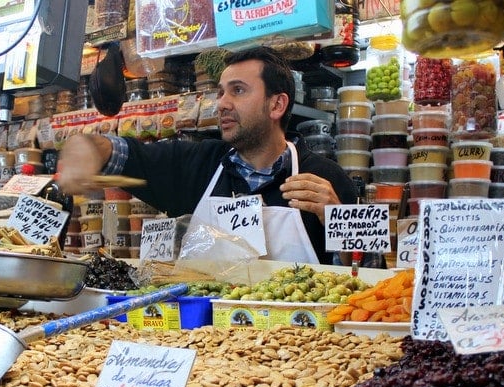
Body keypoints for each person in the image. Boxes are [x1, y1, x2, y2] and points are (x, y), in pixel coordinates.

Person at [56, 46, 359, 265]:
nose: (222, 104)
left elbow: (370, 275)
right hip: (205, 343)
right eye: (221, 92)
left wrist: (337, 220)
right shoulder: (194, 164)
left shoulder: (327, 178)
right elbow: (120, 154)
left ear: (277, 105)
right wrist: (87, 148)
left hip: (300, 347)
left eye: (238, 91)